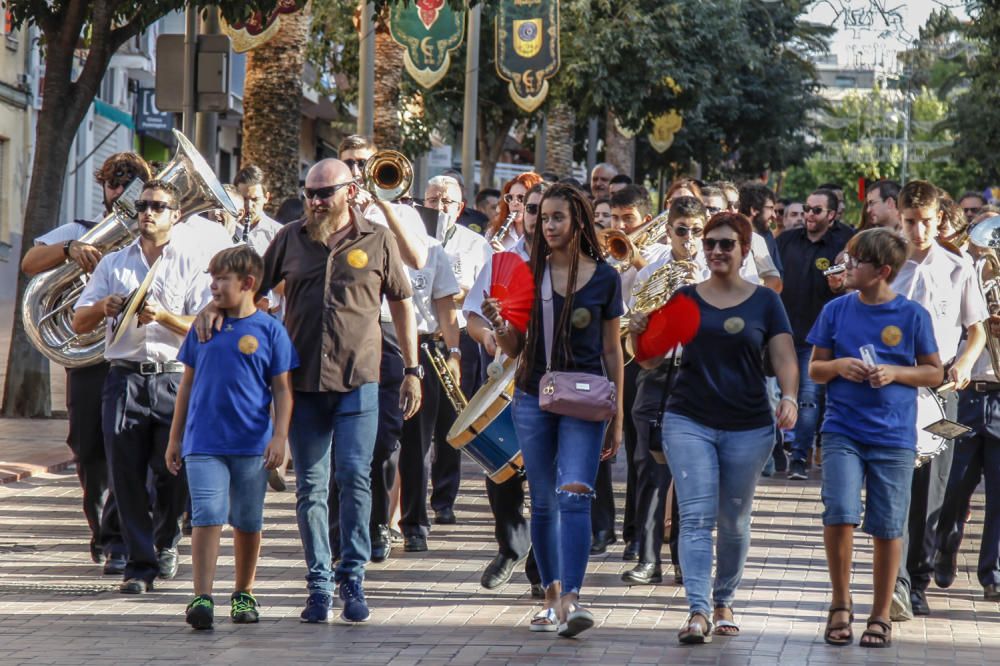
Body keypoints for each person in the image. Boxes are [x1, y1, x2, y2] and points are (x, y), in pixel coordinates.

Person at [195, 158, 421, 624]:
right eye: (309, 193)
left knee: (356, 477)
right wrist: (213, 310)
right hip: (304, 383)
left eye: (324, 193)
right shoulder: (290, 238)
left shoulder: (377, 240)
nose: (315, 202)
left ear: (350, 191)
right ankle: (319, 584)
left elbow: (402, 303)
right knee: (311, 488)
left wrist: (414, 369)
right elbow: (250, 286)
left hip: (360, 380)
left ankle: (352, 576)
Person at [483, 183, 624, 638]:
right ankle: (550, 595)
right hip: (532, 396)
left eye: (558, 217)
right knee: (544, 502)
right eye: (544, 218)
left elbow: (612, 349)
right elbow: (514, 347)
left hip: (585, 399)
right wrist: (500, 323)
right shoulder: (526, 272)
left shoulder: (606, 277)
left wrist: (617, 415)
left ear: (578, 220)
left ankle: (573, 598)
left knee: (575, 494)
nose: (549, 226)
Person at [660, 212, 798, 644]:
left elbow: (784, 357)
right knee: (696, 517)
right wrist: (645, 332)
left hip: (749, 424)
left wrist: (790, 397)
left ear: (744, 250)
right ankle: (698, 611)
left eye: (726, 244)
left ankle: (724, 600)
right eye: (711, 243)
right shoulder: (684, 298)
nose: (717, 250)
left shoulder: (764, 302)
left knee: (734, 520)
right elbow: (648, 359)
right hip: (688, 419)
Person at [72, 179, 214, 593]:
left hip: (173, 378)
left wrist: (163, 317)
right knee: (125, 475)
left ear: (176, 215)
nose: (147, 213)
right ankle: (139, 564)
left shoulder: (192, 262)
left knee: (172, 471)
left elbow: (203, 327)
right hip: (124, 378)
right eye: (142, 206)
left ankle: (166, 540)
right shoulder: (113, 264)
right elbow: (80, 322)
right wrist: (102, 307)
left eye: (158, 206)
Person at [808, 228, 943, 648]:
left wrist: (895, 373)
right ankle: (840, 604)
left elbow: (933, 371)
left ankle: (881, 613)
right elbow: (815, 368)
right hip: (842, 429)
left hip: (893, 434)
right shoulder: (835, 310)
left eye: (855, 261)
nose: (846, 267)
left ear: (882, 271)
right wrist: (840, 365)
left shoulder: (912, 315)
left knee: (887, 525)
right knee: (840, 512)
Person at [20, 151, 150, 575]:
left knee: (130, 448)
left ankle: (118, 540)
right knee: (89, 448)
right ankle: (104, 531)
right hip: (89, 358)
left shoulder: (154, 237)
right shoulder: (80, 230)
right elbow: (29, 263)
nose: (120, 190)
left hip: (135, 355)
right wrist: (70, 250)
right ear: (104, 187)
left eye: (130, 182)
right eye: (114, 181)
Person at [164, 245, 297, 630]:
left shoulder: (271, 331)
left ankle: (243, 592)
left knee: (247, 520)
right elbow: (186, 385)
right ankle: (201, 596)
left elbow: (283, 391)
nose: (214, 287)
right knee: (206, 515)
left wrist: (280, 437)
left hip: (252, 444)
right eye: (212, 278)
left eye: (222, 279)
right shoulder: (203, 327)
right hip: (203, 442)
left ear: (248, 284)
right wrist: (175, 440)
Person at [890, 180, 987, 620]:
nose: (919, 231)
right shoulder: (885, 263)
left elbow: (977, 329)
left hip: (941, 388)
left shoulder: (957, 264)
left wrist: (965, 363)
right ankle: (896, 581)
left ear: (939, 218)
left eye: (926, 221)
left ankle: (919, 577)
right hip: (892, 385)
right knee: (894, 486)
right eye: (910, 222)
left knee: (935, 488)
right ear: (898, 218)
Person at [464, 181, 546, 595]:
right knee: (500, 470)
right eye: (530, 210)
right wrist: (488, 337)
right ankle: (511, 547)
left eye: (545, 211)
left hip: (555, 381)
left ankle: (541, 566)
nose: (536, 218)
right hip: (507, 376)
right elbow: (472, 315)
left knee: (548, 475)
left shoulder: (576, 263)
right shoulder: (502, 260)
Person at [621, 196, 708, 586]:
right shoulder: (650, 271)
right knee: (650, 470)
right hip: (656, 374)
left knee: (692, 474)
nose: (690, 239)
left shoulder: (714, 271)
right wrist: (638, 324)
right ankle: (648, 558)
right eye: (682, 230)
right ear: (669, 230)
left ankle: (685, 561)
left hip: (698, 374)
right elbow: (634, 339)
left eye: (697, 231)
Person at [933, 211, 1000, 603]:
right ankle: (944, 545)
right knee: (952, 485)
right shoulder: (960, 273)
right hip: (962, 395)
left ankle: (993, 572)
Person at [421, 175, 492, 527]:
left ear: (460, 207)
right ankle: (412, 502)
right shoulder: (412, 238)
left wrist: (455, 292)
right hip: (421, 335)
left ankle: (444, 499)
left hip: (459, 337)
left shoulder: (476, 243)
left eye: (447, 201)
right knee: (418, 424)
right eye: (433, 199)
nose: (439, 206)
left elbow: (483, 294)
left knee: (451, 422)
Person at [777, 188, 854, 480]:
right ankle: (776, 452)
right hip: (783, 333)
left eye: (816, 210)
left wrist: (838, 285)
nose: (809, 215)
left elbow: (846, 283)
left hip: (818, 336)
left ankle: (799, 457)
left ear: (831, 215)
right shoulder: (786, 240)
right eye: (807, 208)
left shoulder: (842, 241)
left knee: (809, 399)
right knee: (781, 395)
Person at [396, 240, 462, 552]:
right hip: (377, 339)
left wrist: (454, 352)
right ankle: (374, 523)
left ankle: (414, 524)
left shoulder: (431, 246)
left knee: (417, 442)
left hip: (423, 345)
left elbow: (445, 303)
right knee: (381, 445)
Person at [233, 165, 284, 255]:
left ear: (266, 198)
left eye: (255, 199)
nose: (248, 205)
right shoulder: (226, 228)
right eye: (243, 199)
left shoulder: (279, 234)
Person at [486, 173, 544, 252]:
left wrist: (506, 257)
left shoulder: (545, 234)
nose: (514, 203)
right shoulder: (493, 231)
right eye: (510, 197)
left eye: (521, 197)